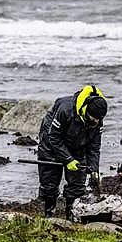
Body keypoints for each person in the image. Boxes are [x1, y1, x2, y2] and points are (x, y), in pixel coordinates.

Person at [37, 85, 108, 220]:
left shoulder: (97, 118)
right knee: (49, 182)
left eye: (98, 120)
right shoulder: (65, 110)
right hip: (51, 140)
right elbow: (54, 138)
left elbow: (94, 147)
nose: (96, 122)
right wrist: (68, 159)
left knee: (77, 182)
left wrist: (94, 169)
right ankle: (49, 213)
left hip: (78, 144)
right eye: (93, 119)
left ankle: (71, 215)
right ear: (85, 110)